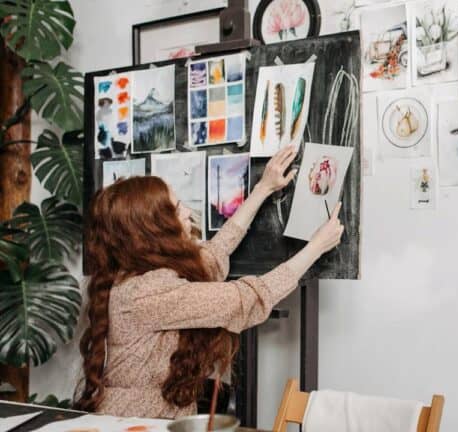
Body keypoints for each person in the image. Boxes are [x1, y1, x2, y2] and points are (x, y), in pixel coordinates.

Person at [74, 146, 343, 418]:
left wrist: (263, 188)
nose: (187, 213)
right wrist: (316, 247)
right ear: (154, 229)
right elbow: (245, 298)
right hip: (137, 422)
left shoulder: (140, 272)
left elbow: (214, 254)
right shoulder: (146, 293)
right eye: (177, 209)